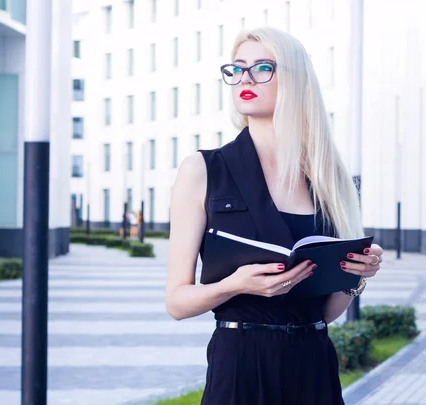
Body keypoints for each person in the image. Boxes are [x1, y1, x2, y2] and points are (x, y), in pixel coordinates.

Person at [166, 27, 384, 405]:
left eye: (262, 67)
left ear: (296, 80)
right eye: (237, 69)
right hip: (240, 363)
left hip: (313, 361)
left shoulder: (330, 179)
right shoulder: (203, 170)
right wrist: (235, 285)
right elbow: (176, 302)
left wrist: (355, 278)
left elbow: (326, 313)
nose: (245, 79)